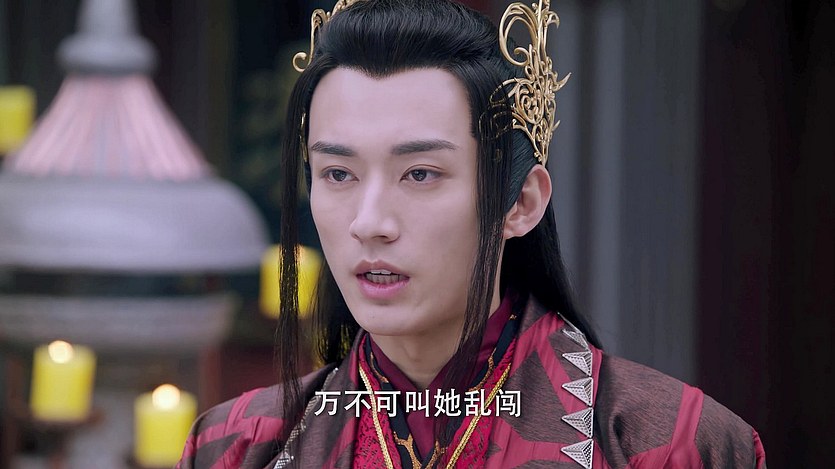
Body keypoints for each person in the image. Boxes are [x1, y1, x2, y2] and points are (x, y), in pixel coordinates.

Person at [177, 0, 767, 467]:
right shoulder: (237, 446)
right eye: (338, 174)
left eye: (420, 173)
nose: (369, 222)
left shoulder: (668, 443)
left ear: (521, 203)